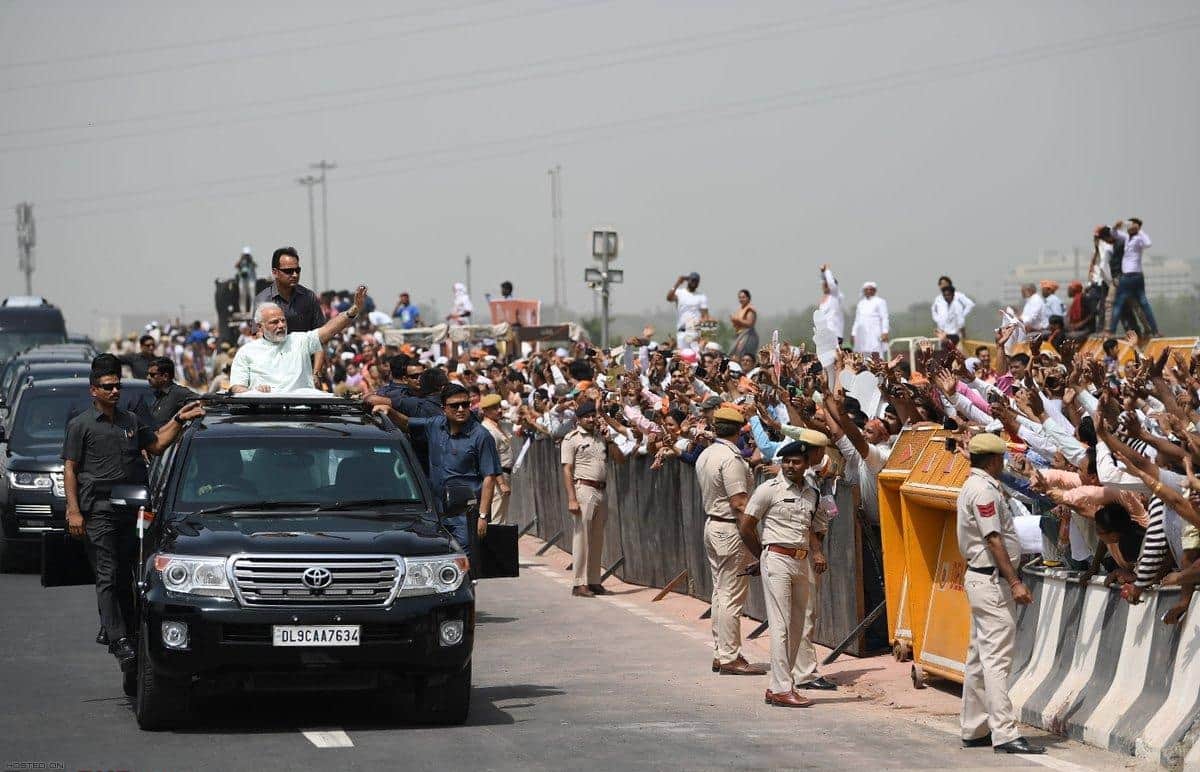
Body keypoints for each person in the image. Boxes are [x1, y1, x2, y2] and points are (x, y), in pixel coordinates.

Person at [63, 354, 205, 674]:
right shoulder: (81, 425)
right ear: (94, 391)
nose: (114, 391)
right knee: (107, 573)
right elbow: (70, 469)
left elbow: (156, 446)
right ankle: (117, 638)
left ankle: (117, 627)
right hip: (97, 510)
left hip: (132, 509)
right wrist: (73, 511)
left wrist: (181, 420)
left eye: (117, 386)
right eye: (107, 387)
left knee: (130, 575)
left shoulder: (131, 420)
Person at [956, 432, 1043, 755]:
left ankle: (974, 727)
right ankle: (1004, 733)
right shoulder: (983, 490)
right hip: (991, 581)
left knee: (979, 655)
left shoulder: (978, 485)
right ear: (994, 460)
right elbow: (993, 539)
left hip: (983, 579)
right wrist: (1015, 581)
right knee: (996, 659)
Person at [740, 433, 833, 707]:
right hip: (776, 557)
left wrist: (817, 551)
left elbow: (813, 528)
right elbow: (746, 526)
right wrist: (763, 557)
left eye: (796, 462)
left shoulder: (813, 493)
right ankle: (781, 687)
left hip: (801, 560)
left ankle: (781, 684)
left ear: (806, 464)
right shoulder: (769, 489)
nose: (791, 466)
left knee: (797, 625)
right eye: (787, 462)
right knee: (779, 625)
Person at [695, 406, 766, 675]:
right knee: (731, 595)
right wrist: (757, 545)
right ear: (739, 431)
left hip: (715, 524)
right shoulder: (730, 458)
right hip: (730, 529)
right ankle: (728, 656)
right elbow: (739, 503)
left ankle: (721, 651)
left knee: (720, 592)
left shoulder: (707, 453)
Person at [231, 285, 368, 393]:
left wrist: (353, 310)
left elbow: (328, 330)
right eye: (274, 322)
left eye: (283, 321)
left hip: (301, 416)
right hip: (264, 418)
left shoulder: (299, 341)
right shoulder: (246, 351)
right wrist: (254, 392)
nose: (281, 325)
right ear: (260, 326)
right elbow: (237, 387)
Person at [559, 401, 616, 597]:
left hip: (601, 490)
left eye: (593, 415)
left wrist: (610, 440)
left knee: (597, 538)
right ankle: (579, 583)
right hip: (584, 488)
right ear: (579, 419)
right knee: (581, 537)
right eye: (587, 416)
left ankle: (593, 580)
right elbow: (567, 469)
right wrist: (571, 499)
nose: (591, 419)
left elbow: (619, 458)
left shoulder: (601, 437)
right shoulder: (571, 439)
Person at [254, 246, 328, 385]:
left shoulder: (308, 297)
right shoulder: (263, 300)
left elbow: (320, 338)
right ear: (275, 272)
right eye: (288, 271)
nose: (294, 274)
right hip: (276, 372)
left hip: (307, 370)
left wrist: (316, 373)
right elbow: (259, 339)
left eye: (297, 270)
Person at [1107, 218, 1160, 337]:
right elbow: (1113, 233)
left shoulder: (1139, 239)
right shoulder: (1126, 239)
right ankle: (1111, 332)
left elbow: (1148, 243)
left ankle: (1155, 330)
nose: (1129, 227)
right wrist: (1116, 226)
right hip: (1126, 277)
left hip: (1136, 276)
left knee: (1143, 304)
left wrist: (1139, 230)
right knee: (1119, 304)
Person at [479, 393, 514, 525]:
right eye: (494, 408)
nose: (499, 410)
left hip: (504, 474)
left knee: (501, 514)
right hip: (496, 477)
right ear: (485, 411)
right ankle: (495, 544)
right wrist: (501, 483)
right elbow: (492, 460)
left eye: (499, 406)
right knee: (496, 517)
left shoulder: (499, 425)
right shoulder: (488, 430)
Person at [144, 356, 199, 429]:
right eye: (148, 374)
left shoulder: (178, 393)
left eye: (152, 375)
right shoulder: (158, 395)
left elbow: (201, 401)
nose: (148, 378)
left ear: (165, 376)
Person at [667, 272, 709, 352]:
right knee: (683, 358)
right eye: (692, 280)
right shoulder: (679, 292)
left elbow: (705, 316)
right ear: (688, 280)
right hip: (682, 331)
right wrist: (678, 283)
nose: (694, 283)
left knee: (696, 357)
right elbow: (669, 298)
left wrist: (706, 336)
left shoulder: (701, 296)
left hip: (695, 331)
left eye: (696, 281)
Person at [852, 281, 889, 358]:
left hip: (875, 333)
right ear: (864, 291)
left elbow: (884, 317)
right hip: (861, 334)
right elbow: (857, 320)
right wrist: (853, 333)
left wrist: (885, 332)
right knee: (862, 355)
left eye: (871, 289)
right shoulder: (860, 303)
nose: (869, 291)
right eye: (866, 289)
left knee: (876, 354)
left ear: (874, 290)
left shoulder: (880, 301)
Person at [817, 264, 844, 345]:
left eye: (826, 284)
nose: (824, 286)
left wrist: (827, 270)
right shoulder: (824, 299)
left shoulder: (835, 295)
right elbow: (823, 281)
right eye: (824, 285)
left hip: (834, 333)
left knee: (834, 356)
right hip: (824, 333)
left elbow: (831, 284)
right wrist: (822, 273)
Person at [729, 289, 759, 361]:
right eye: (740, 297)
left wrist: (737, 320)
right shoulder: (740, 309)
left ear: (748, 298)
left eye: (743, 297)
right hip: (739, 335)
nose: (741, 299)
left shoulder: (750, 309)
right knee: (734, 354)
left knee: (742, 355)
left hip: (748, 335)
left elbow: (750, 323)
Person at [235, 246, 257, 313]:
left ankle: (252, 310)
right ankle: (243, 311)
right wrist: (241, 259)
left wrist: (251, 260)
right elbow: (236, 265)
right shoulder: (241, 261)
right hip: (242, 280)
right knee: (242, 295)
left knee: (252, 296)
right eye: (245, 255)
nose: (246, 256)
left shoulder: (251, 261)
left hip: (251, 280)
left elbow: (255, 265)